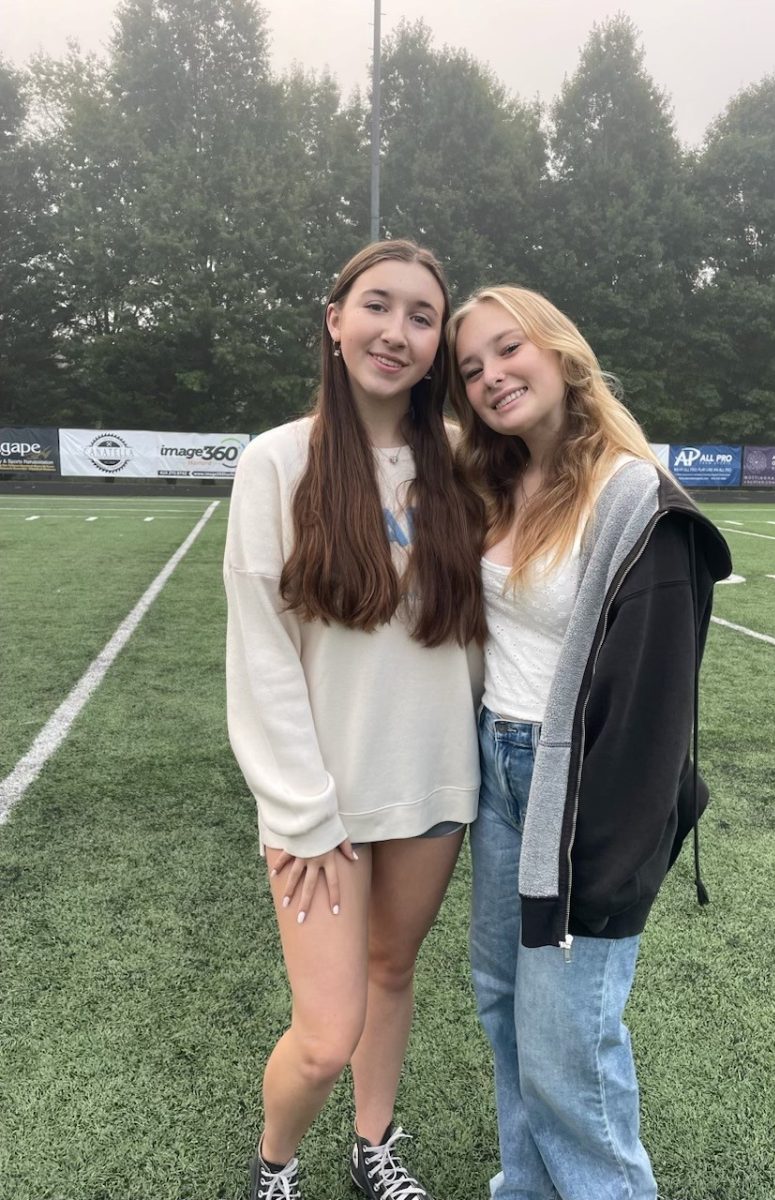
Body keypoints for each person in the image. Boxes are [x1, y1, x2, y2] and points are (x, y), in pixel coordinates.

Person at [447, 285, 732, 1200]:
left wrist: (608, 866)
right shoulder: (495, 478)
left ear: (561, 351)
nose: (492, 376)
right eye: (472, 368)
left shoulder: (632, 493)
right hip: (499, 773)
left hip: (582, 791)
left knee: (571, 1048)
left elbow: (652, 711)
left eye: (508, 349)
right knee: (506, 1015)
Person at [224, 240, 486, 1200]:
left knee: (392, 971)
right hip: (320, 804)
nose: (398, 331)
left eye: (423, 317)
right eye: (378, 306)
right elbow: (262, 651)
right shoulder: (278, 461)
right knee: (326, 1033)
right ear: (335, 321)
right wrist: (302, 809)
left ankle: (374, 1147)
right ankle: (276, 1163)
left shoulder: (462, 462)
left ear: (435, 347)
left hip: (435, 781)